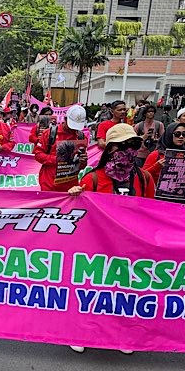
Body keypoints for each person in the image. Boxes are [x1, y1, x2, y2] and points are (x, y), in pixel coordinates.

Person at [67, 123, 154, 355]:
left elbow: (153, 212)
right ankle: (81, 332)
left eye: (133, 145)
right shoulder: (93, 179)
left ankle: (122, 335)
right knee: (90, 291)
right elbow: (78, 215)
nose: (128, 151)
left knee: (125, 292)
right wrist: (74, 196)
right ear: (110, 149)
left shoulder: (144, 178)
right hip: (97, 248)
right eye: (122, 146)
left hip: (131, 247)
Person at [34, 105, 89, 192]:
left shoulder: (81, 137)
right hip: (49, 184)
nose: (73, 129)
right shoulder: (49, 133)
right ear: (65, 119)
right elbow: (38, 155)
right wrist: (57, 160)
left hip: (71, 186)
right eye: (72, 125)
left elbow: (81, 166)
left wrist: (83, 161)